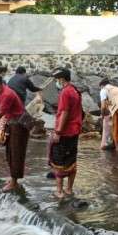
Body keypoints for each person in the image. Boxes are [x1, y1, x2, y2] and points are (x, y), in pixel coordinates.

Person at [49, 68, 83, 198]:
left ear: (61, 79)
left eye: (57, 79)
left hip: (65, 132)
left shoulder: (65, 92)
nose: (57, 82)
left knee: (59, 161)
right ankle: (69, 189)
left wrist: (58, 131)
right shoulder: (75, 90)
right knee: (71, 160)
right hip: (74, 131)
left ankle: (59, 191)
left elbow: (64, 112)